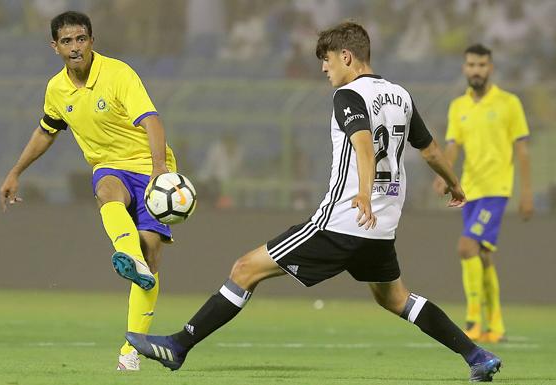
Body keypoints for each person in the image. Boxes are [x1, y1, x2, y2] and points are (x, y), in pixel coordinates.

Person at [126, 22, 502, 382]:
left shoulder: (348, 95)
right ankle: (477, 356)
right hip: (381, 226)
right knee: (396, 299)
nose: (324, 68)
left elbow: (364, 145)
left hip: (341, 220)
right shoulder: (400, 95)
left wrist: (364, 194)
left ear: (347, 56)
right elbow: (431, 150)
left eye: (327, 59)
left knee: (244, 269)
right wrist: (455, 184)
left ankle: (178, 346)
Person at [0, 11, 177, 371]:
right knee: (107, 189)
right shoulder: (56, 89)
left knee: (153, 252)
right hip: (109, 166)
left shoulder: (118, 73)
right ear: (55, 47)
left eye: (81, 39)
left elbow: (152, 120)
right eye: (67, 41)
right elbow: (47, 130)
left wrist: (159, 170)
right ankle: (131, 258)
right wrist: (16, 171)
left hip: (147, 164)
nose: (75, 47)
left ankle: (131, 351)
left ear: (92, 40)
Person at [433, 44, 533, 343]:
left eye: (481, 65)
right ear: (465, 68)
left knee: (466, 247)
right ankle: (496, 326)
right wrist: (445, 174)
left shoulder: (509, 103)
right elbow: (452, 146)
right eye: (471, 65)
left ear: (491, 68)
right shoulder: (458, 107)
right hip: (470, 190)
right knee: (484, 256)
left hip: (496, 189)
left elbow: (522, 149)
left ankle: (473, 321)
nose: (476, 70)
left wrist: (525, 192)